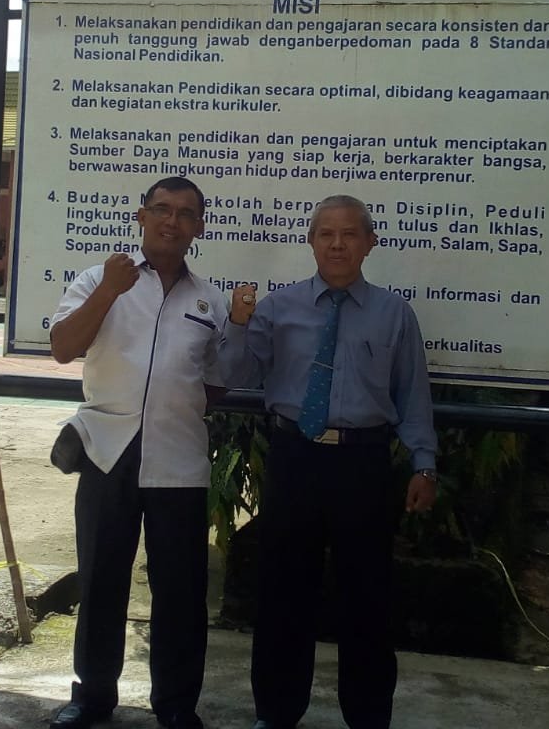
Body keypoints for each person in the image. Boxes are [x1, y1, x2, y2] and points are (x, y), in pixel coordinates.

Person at [220, 194, 438, 729]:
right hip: (294, 457)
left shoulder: (394, 314)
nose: (337, 244)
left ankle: (367, 716)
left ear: (370, 243)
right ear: (311, 242)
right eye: (326, 234)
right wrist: (239, 324)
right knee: (283, 592)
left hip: (362, 463)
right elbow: (239, 375)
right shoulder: (278, 308)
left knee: (367, 596)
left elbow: (412, 395)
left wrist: (423, 463)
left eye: (349, 234)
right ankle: (276, 712)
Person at [48, 176, 228, 729]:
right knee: (101, 581)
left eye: (185, 213)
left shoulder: (210, 300)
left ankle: (175, 705)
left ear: (199, 227)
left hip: (180, 462)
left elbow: (216, 382)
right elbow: (62, 347)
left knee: (181, 592)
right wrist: (109, 290)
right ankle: (92, 697)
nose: (172, 221)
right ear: (141, 216)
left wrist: (175, 403)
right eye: (162, 209)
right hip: (108, 454)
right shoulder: (96, 279)